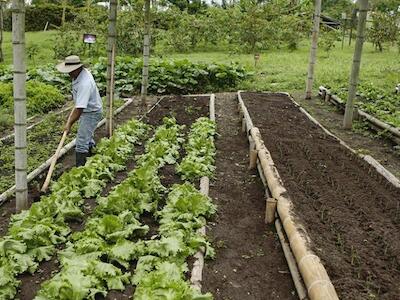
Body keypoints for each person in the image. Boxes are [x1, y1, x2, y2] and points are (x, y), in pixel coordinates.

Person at [56, 55, 103, 167]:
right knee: (87, 137)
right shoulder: (81, 73)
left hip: (91, 112)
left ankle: (81, 170)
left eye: (70, 71)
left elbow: (79, 109)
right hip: (88, 109)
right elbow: (79, 106)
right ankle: (93, 160)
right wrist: (69, 122)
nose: (68, 74)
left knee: (81, 142)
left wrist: (69, 124)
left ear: (77, 69)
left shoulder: (84, 84)